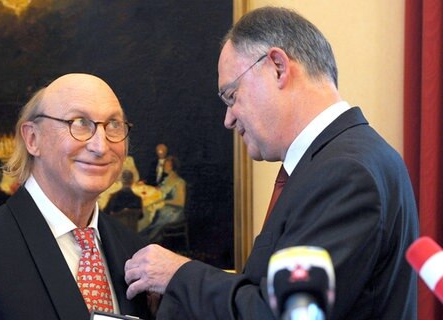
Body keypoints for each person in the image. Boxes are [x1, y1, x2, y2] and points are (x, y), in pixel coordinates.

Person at [124, 7, 419, 319]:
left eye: (231, 96)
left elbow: (283, 313)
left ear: (278, 67)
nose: (228, 119)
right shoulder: (342, 158)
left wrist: (178, 275)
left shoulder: (345, 172)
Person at [0, 73, 153, 319]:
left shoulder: (135, 253)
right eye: (80, 123)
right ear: (33, 139)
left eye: (113, 125)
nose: (101, 146)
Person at [139, 156, 186, 243]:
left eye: (166, 165)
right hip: (163, 208)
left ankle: (147, 241)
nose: (164, 167)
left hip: (174, 212)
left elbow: (181, 202)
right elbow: (160, 190)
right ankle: (139, 238)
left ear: (172, 167)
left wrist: (164, 202)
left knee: (154, 221)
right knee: (147, 211)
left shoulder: (180, 182)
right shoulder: (167, 179)